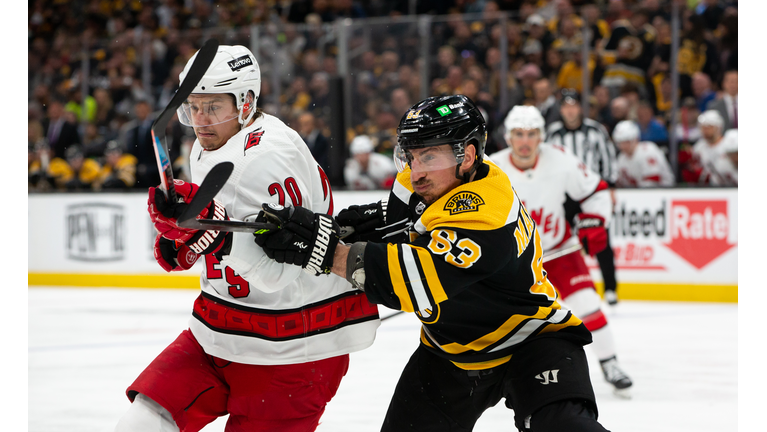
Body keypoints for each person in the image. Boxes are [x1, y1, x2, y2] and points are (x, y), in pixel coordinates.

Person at [252, 95, 611, 431]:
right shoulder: (419, 180)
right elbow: (400, 230)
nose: (416, 170)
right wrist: (341, 226)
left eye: (429, 157)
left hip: (530, 342)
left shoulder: (487, 208)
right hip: (448, 352)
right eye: (410, 155)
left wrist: (325, 251)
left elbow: (415, 280)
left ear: (468, 155)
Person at [115, 44, 380, 432]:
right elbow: (225, 230)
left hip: (291, 349)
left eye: (213, 107)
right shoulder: (209, 144)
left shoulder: (266, 158)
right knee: (141, 422)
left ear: (246, 101)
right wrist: (186, 238)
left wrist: (216, 237)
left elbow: (279, 273)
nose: (201, 120)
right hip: (219, 330)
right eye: (192, 107)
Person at [492, 105, 633, 396]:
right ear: (508, 137)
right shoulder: (491, 170)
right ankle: (497, 374)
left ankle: (610, 362)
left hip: (559, 250)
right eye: (519, 134)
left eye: (532, 134)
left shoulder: (561, 160)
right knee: (502, 321)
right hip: (514, 262)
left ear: (541, 135)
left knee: (588, 305)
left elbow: (596, 191)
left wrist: (595, 221)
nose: (525, 141)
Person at [546, 89, 621, 305]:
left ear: (580, 107)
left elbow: (608, 160)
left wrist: (610, 189)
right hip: (563, 196)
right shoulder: (553, 134)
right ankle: (558, 287)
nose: (570, 111)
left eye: (573, 106)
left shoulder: (596, 131)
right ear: (561, 109)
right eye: (565, 106)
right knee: (558, 240)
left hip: (590, 194)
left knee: (600, 238)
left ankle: (610, 288)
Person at [612, 120, 675, 187]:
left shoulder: (648, 150)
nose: (622, 146)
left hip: (662, 193)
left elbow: (652, 183)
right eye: (619, 142)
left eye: (626, 142)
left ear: (635, 139)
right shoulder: (621, 158)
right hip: (637, 194)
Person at [692, 110, 738, 186]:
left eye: (709, 127)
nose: (705, 130)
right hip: (709, 189)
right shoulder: (698, 147)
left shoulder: (729, 145)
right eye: (703, 127)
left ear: (718, 127)